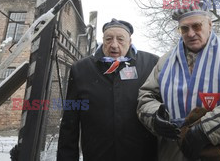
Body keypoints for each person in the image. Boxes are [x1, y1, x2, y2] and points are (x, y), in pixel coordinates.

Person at [137, 2, 220, 160]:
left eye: (196, 26)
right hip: (175, 152)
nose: (190, 33)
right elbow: (146, 97)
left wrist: (205, 130)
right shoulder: (164, 62)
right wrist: (155, 118)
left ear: (209, 25)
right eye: (184, 28)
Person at [57, 19, 159, 161]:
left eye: (120, 39)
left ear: (130, 41)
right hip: (97, 154)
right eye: (109, 39)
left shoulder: (152, 64)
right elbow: (70, 121)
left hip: (142, 154)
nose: (114, 45)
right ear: (103, 40)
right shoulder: (81, 69)